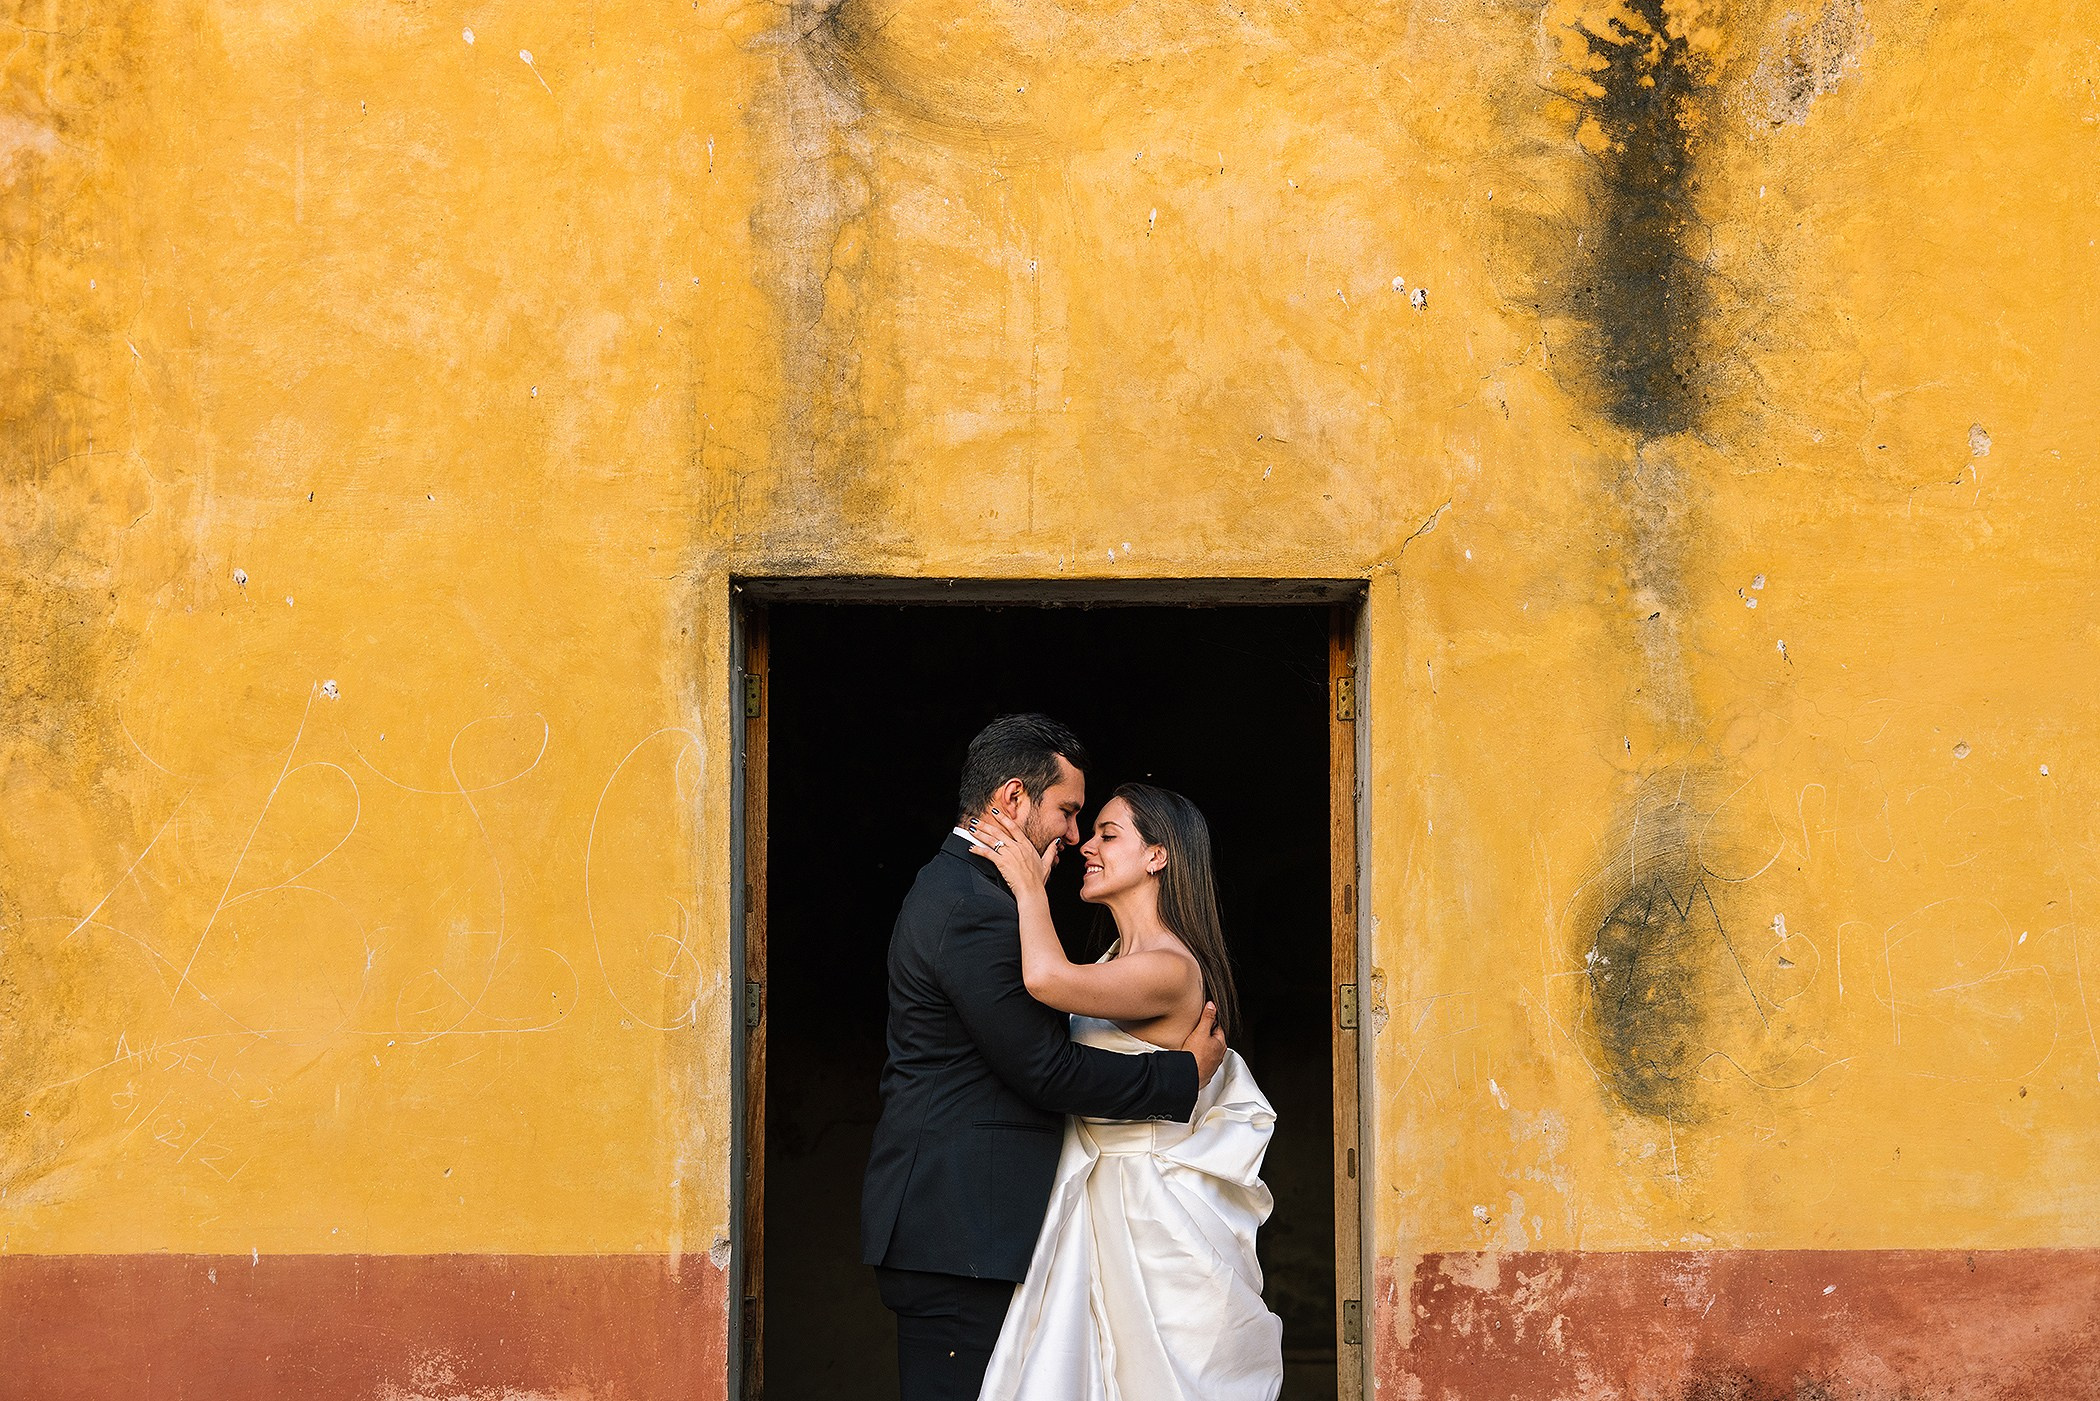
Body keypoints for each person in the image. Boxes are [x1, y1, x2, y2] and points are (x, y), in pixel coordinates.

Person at [861, 715, 1230, 1401]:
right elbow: (1046, 1069)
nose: (1073, 834)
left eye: (1092, 825)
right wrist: (1181, 1076)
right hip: (960, 1230)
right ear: (1011, 799)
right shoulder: (974, 905)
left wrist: (1031, 896)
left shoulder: (975, 896)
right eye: (1066, 811)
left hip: (981, 1229)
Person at [970, 783, 1284, 1401]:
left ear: (1157, 857)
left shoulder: (1171, 968)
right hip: (1094, 1200)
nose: (1085, 844)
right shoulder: (1116, 961)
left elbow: (1044, 977)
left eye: (1108, 835)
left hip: (1149, 1214)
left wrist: (1029, 886)